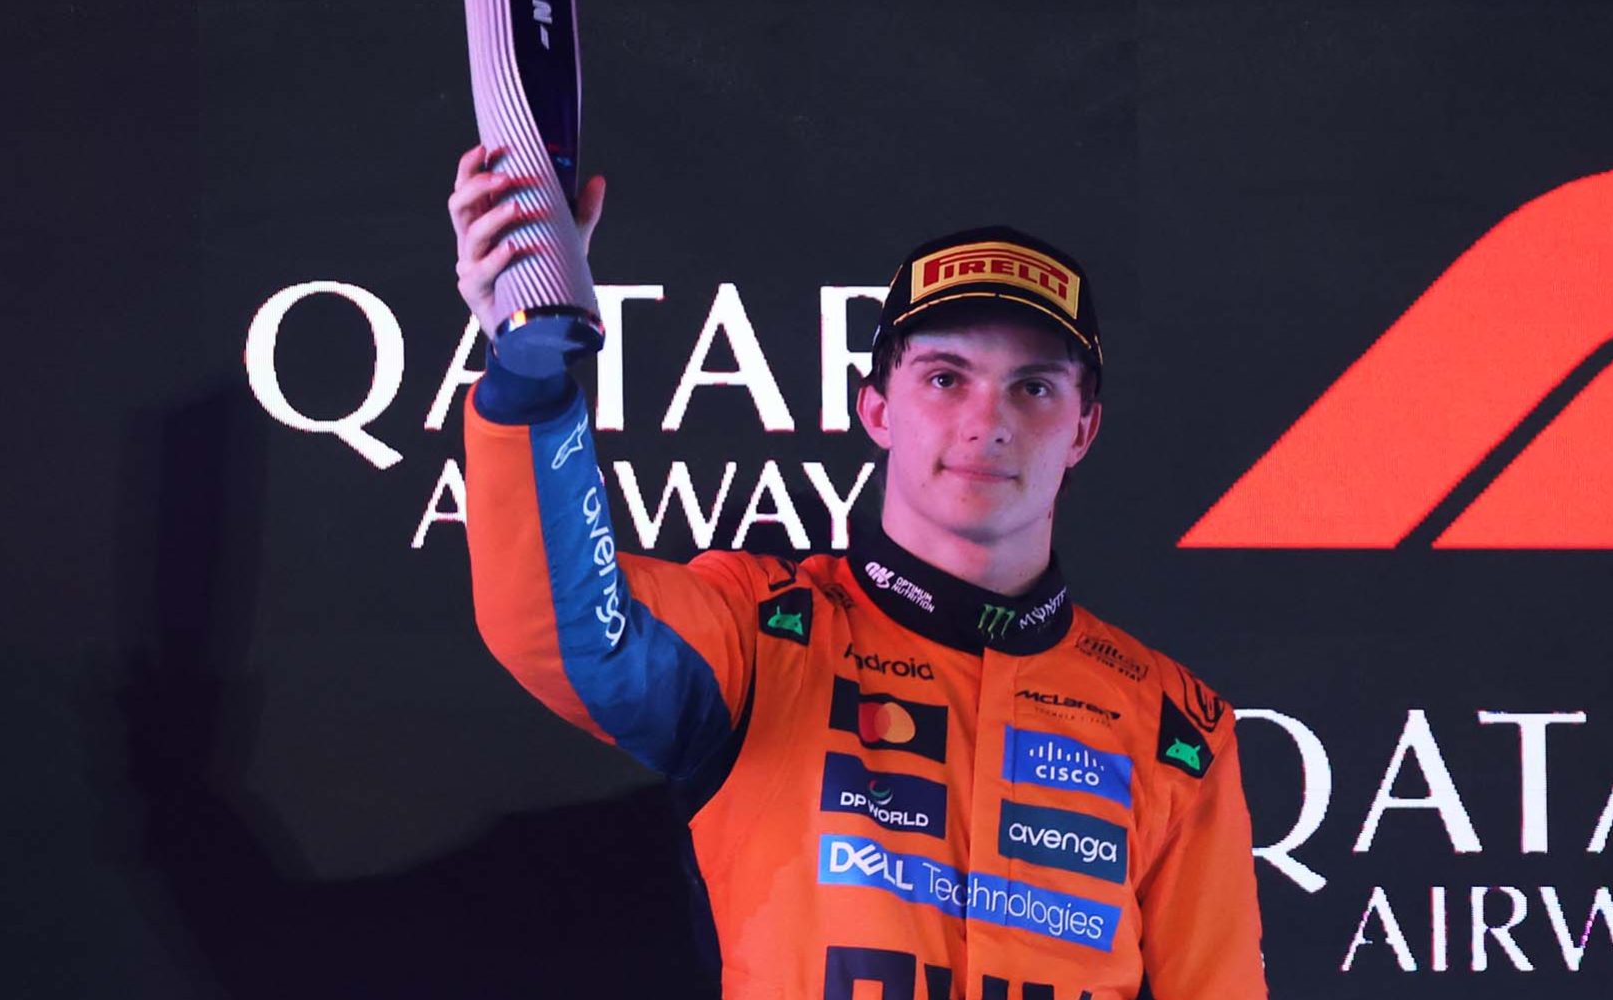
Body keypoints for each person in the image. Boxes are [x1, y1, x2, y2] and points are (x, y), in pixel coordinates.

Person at [448, 143, 1268, 998]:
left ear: (1084, 431)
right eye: (946, 378)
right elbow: (565, 634)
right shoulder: (762, 635)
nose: (987, 422)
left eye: (1033, 388)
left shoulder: (1175, 726)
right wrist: (530, 372)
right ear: (876, 408)